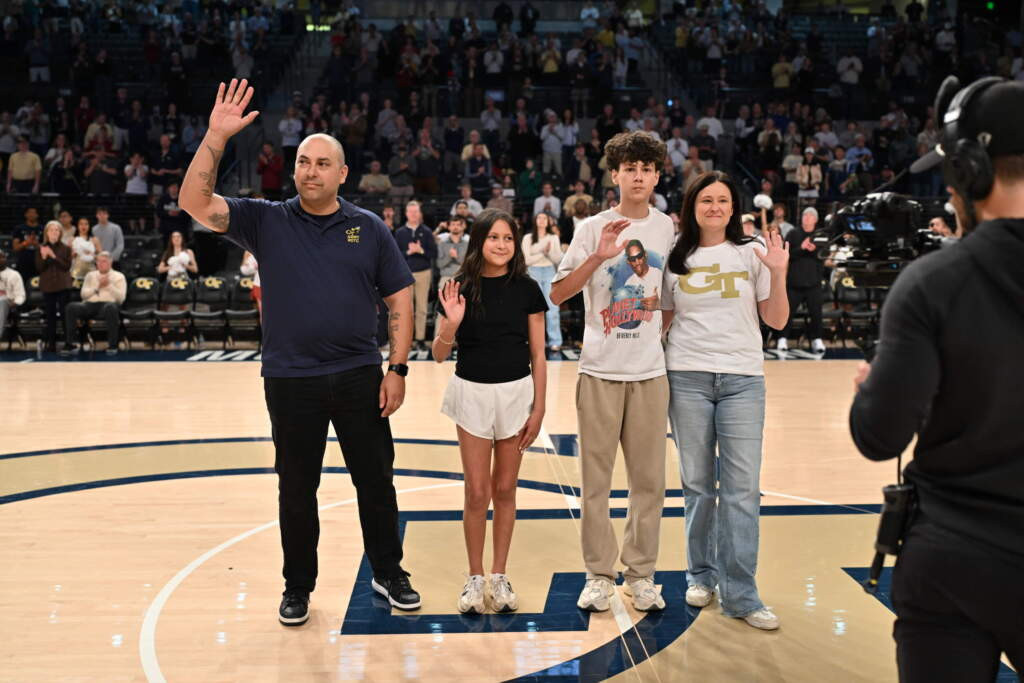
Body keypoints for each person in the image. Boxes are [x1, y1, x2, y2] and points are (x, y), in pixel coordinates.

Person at [177, 78, 420, 626]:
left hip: (359, 374)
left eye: (322, 163)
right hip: (289, 379)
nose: (310, 171)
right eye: (303, 162)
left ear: (342, 174)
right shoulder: (265, 220)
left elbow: (400, 298)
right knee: (296, 490)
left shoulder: (368, 228)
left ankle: (389, 572)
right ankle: (298, 587)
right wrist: (216, 137)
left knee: (375, 483)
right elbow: (193, 201)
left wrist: (398, 368)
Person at [850, 76, 1024, 683]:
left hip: (953, 559)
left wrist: (877, 386)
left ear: (970, 171)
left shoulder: (932, 284)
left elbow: (879, 436)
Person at [550, 131, 675, 613]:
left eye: (647, 168)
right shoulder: (592, 228)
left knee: (650, 484)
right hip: (599, 371)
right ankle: (599, 575)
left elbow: (669, 301)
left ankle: (641, 574)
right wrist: (599, 256)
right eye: (630, 168)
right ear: (615, 175)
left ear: (657, 176)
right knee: (595, 483)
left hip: (649, 375)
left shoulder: (667, 229)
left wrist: (651, 339)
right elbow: (558, 293)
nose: (638, 176)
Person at [662, 171, 790, 631]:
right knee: (697, 485)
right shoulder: (675, 256)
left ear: (733, 207)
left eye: (722, 200)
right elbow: (662, 321)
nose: (714, 207)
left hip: (742, 380)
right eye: (706, 199)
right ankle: (700, 575)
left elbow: (776, 319)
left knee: (742, 490)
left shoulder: (752, 252)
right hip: (687, 377)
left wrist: (779, 273)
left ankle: (742, 594)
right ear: (692, 206)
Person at [432, 208, 548, 614]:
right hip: (472, 394)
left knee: (505, 489)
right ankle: (475, 577)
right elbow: (438, 354)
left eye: (508, 238)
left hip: (516, 395)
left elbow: (539, 353)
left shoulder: (528, 288)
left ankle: (499, 576)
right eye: (494, 237)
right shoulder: (458, 287)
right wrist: (451, 324)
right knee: (477, 491)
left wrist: (539, 408)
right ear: (479, 240)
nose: (501, 245)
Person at [777, 207, 825, 353]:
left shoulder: (820, 235)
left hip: (814, 283)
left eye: (810, 215)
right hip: (794, 282)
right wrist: (801, 248)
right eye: (805, 215)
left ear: (815, 219)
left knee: (816, 313)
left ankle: (817, 340)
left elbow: (825, 255)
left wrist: (814, 250)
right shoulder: (793, 233)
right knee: (787, 313)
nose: (807, 218)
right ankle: (782, 339)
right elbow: (786, 255)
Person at [392, 200, 436, 351]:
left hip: (424, 272)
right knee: (407, 309)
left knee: (422, 309)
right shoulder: (400, 233)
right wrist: (409, 252)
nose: (413, 214)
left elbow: (433, 253)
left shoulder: (427, 231)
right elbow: (395, 255)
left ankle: (420, 339)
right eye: (411, 212)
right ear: (406, 214)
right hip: (405, 273)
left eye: (416, 211)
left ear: (420, 213)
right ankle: (407, 338)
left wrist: (421, 250)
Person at [62, 251, 126, 355]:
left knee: (111, 308)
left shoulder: (119, 276)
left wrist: (109, 285)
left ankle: (113, 345)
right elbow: (83, 295)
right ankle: (70, 344)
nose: (100, 264)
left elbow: (121, 299)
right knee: (71, 307)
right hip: (89, 305)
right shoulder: (90, 275)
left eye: (103, 261)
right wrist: (97, 287)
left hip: (107, 305)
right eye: (98, 261)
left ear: (110, 262)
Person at [523, 212, 563, 351]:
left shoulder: (553, 238)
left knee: (552, 308)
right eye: (539, 217)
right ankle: (535, 341)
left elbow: (557, 259)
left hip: (549, 271)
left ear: (548, 221)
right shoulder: (528, 238)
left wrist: (548, 253)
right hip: (532, 272)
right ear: (535, 220)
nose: (541, 220)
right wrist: (543, 252)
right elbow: (526, 260)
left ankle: (555, 341)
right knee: (534, 309)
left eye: (544, 218)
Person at [35, 220, 73, 352]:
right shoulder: (40, 248)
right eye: (51, 230)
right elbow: (39, 268)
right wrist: (44, 257)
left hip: (63, 285)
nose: (54, 232)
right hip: (48, 286)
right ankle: (51, 343)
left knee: (65, 314)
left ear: (60, 233)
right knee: (50, 315)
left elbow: (66, 266)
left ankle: (68, 342)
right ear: (47, 233)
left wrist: (53, 256)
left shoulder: (66, 248)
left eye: (57, 230)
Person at [0, 249, 26, 339]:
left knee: (2, 300)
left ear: (5, 259)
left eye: (2, 257)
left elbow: (21, 295)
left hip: (8, 303)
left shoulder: (14, 274)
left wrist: (15, 303)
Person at [240, 251, 262, 320]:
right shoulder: (252, 252)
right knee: (263, 314)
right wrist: (245, 259)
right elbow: (245, 270)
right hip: (260, 286)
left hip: (276, 285)